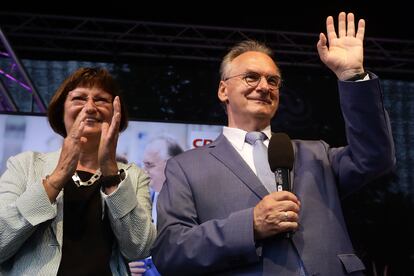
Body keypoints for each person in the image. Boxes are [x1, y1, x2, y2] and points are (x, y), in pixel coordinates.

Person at [152, 12, 395, 275]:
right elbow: (170, 250)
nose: (264, 86)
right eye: (251, 77)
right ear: (223, 90)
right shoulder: (186, 168)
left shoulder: (316, 154)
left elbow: (375, 157)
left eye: (273, 80)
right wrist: (250, 225)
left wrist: (352, 77)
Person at [0, 67, 156, 275]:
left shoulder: (133, 176)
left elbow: (140, 248)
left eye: (101, 99)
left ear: (115, 113)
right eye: (79, 98)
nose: (90, 107)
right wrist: (56, 178)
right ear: (61, 110)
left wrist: (110, 172)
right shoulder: (24, 165)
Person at [129, 136, 183, 276]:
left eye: (149, 165)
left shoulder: (194, 203)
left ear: (172, 163)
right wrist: (124, 266)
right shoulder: (141, 199)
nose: (143, 171)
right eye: (143, 165)